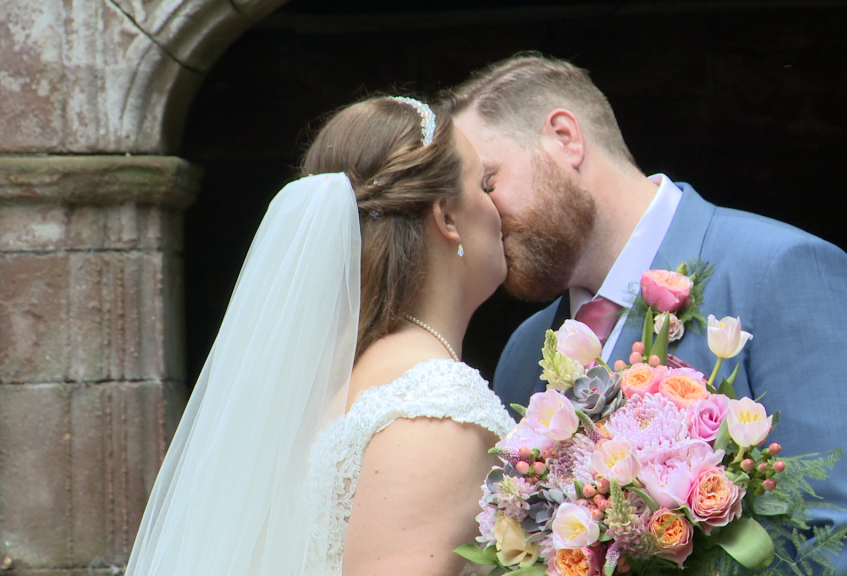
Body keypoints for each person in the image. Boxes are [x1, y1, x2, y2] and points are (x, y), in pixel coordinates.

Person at [442, 52, 847, 571]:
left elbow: (832, 538)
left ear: (565, 138)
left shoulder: (779, 271)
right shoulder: (525, 353)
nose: (480, 216)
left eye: (488, 183)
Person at [123, 96, 515, 576]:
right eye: (484, 185)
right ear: (447, 216)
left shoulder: (327, 385)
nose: (498, 206)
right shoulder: (434, 412)